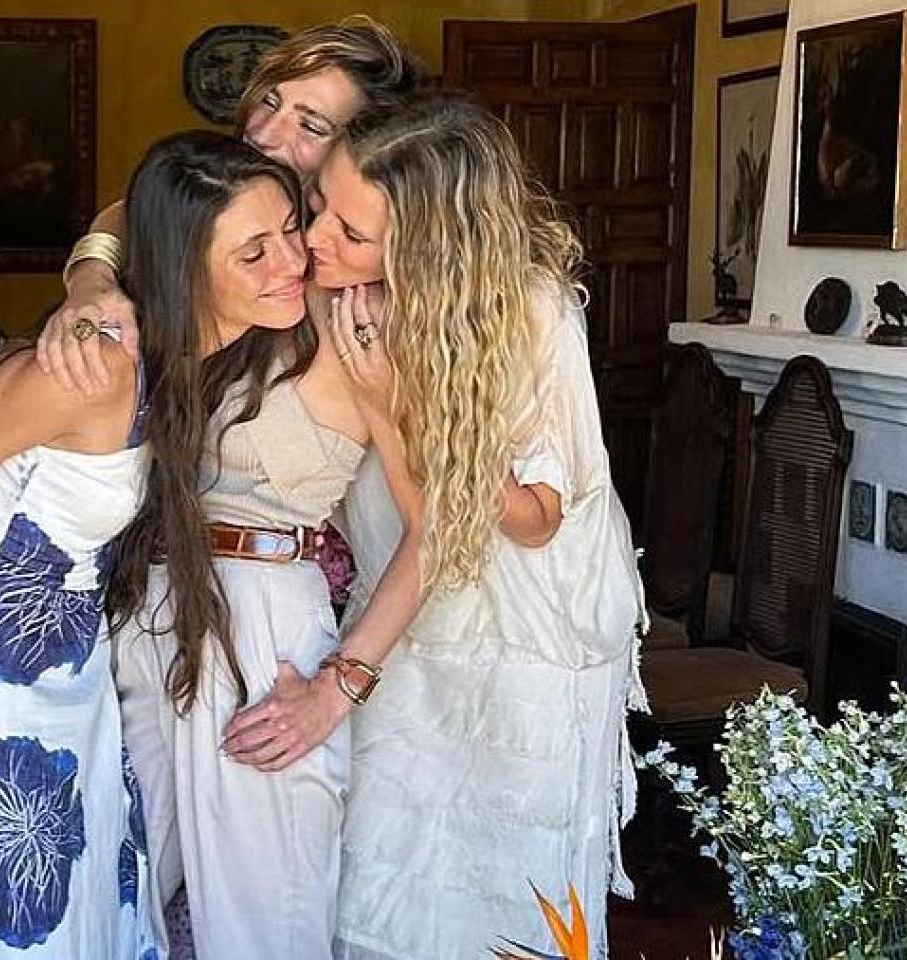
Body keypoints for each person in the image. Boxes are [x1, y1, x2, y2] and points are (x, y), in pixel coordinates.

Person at [227, 94, 647, 959]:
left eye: (351, 231)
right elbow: (159, 216)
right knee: (384, 870)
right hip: (410, 600)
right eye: (320, 205)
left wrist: (399, 407)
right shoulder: (338, 286)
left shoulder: (530, 309)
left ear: (429, 246)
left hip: (531, 630)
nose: (316, 239)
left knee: (499, 888)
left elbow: (533, 521)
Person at [0, 139, 220, 960]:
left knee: (72, 901)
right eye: (256, 249)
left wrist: (89, 277)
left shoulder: (160, 360)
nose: (292, 262)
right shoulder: (87, 365)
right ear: (187, 262)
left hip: (66, 657)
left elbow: (128, 214)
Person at [105, 131, 378, 960]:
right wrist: (90, 278)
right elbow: (122, 218)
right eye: (254, 251)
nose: (292, 260)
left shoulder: (352, 322)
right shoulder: (191, 338)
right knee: (121, 895)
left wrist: (340, 686)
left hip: (266, 629)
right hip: (149, 619)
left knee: (268, 917)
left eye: (292, 229)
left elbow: (439, 527)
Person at [42, 15, 425, 391]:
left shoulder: (381, 281)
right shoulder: (225, 189)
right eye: (269, 101)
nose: (263, 133)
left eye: (311, 126)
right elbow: (131, 213)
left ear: (365, 150)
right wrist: (91, 280)